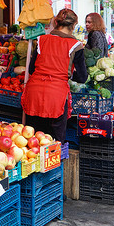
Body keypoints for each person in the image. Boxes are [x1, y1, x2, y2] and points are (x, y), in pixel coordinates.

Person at [21, 9, 87, 143]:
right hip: (56, 95)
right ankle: (55, 164)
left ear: (56, 22)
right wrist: (67, 74)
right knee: (55, 142)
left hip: (34, 92)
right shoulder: (76, 46)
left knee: (32, 139)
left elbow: (32, 69)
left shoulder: (41, 40)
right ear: (74, 25)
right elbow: (82, 77)